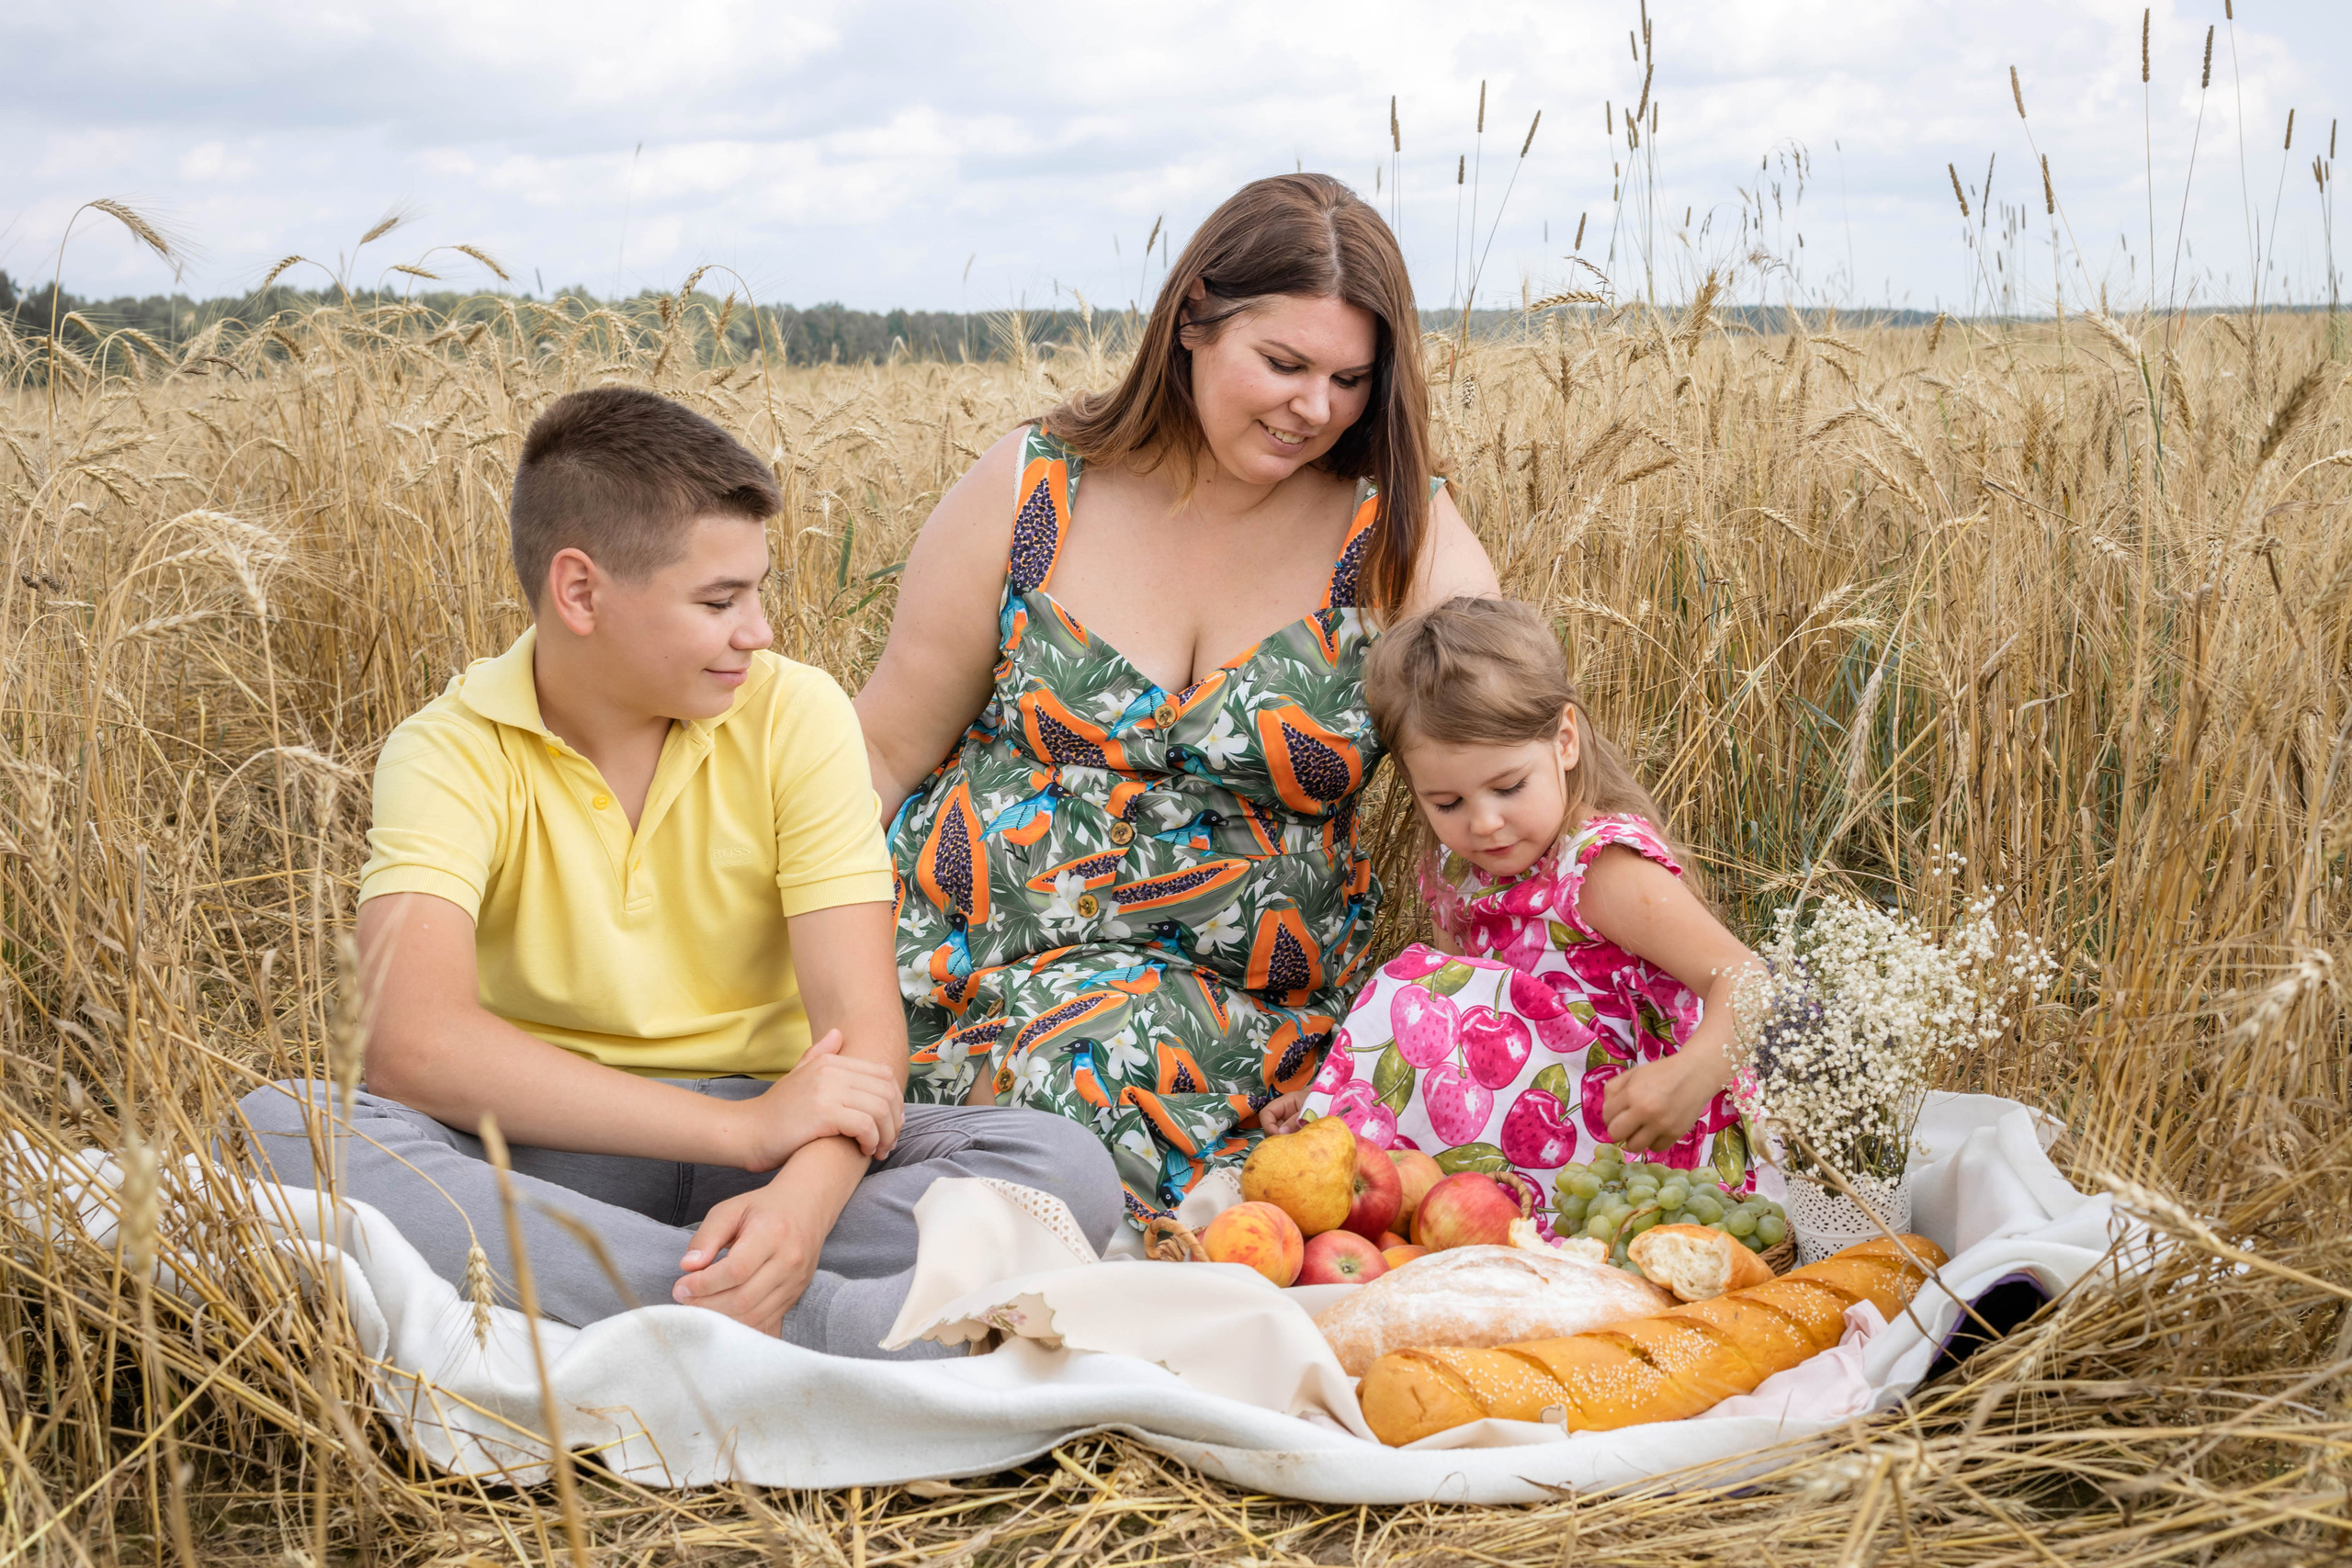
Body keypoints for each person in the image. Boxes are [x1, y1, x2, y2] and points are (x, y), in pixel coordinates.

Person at [236, 387, 1118, 1354]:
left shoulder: (796, 715)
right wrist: (744, 1140)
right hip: (555, 1146)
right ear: (580, 592)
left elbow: (862, 1041)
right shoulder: (449, 750)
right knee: (280, 1129)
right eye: (719, 601)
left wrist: (798, 1205)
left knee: (1060, 1163)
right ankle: (799, 1317)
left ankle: (657, 1284)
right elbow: (411, 1046)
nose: (760, 631)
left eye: (758, 590)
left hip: (776, 1134)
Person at [855, 174, 1499, 1224]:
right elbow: (880, 749)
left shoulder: (1398, 539)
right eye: (1283, 364)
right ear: (1193, 316)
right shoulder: (1034, 490)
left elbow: (1512, 770)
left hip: (1217, 1011)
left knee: (1066, 1084)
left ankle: (880, 1292)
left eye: (1348, 379)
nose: (1314, 408)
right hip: (944, 960)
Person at [1279, 596, 1768, 1220]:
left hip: (1641, 1143)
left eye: (1509, 786)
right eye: (1446, 801)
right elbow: (1447, 1039)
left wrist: (1691, 1075)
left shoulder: (1598, 869)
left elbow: (1748, 979)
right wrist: (1345, 1095)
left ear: (1564, 740)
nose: (1484, 822)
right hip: (1521, 1147)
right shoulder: (1456, 874)